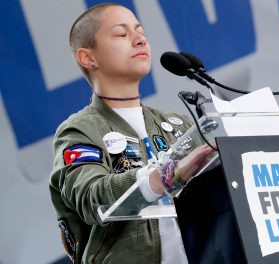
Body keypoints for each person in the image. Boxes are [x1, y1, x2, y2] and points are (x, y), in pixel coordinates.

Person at [49, 3, 214, 263]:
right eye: (122, 34)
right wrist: (168, 176)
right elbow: (92, 197)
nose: (140, 40)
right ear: (88, 58)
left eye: (141, 32)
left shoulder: (180, 124)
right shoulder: (79, 131)